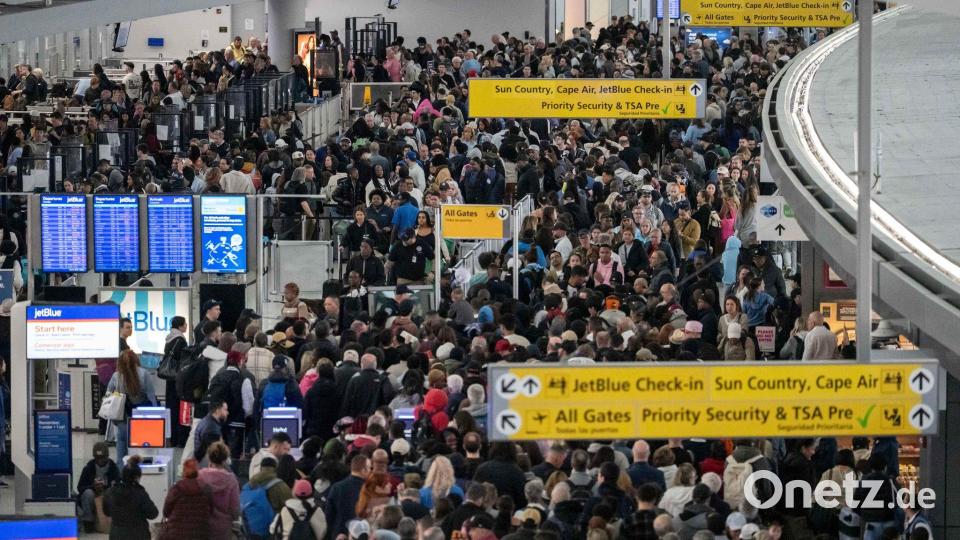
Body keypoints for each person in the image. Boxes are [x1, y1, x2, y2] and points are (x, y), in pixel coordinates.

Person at [106, 350, 156, 461]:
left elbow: (108, 395)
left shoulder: (116, 376)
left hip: (123, 417)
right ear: (136, 360)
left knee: (121, 449)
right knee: (143, 451)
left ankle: (121, 470)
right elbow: (151, 397)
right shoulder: (144, 374)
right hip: (142, 418)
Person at [103, 455, 159, 540]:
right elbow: (153, 514)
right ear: (136, 478)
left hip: (116, 535)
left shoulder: (110, 492)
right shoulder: (140, 493)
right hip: (138, 535)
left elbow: (106, 512)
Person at [197, 441, 240, 540]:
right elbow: (235, 511)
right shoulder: (231, 480)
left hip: (201, 527)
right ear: (225, 459)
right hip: (222, 530)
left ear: (209, 457)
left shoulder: (199, 476)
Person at [160, 458, 211, 540]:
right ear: (197, 472)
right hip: (200, 533)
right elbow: (211, 510)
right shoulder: (206, 489)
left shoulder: (177, 488)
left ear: (184, 471)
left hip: (176, 534)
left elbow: (166, 512)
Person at [77, 441, 120, 533]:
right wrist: (93, 487)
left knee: (111, 493)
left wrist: (107, 486)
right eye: (97, 458)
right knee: (87, 493)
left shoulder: (113, 468)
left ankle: (111, 521)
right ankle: (88, 522)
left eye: (102, 458)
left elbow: (119, 486)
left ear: (107, 456)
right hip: (92, 496)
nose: (100, 461)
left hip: (106, 497)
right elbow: (80, 487)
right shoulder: (88, 468)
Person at [325, 454, 371, 539]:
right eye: (369, 468)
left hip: (339, 534)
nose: (371, 471)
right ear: (363, 470)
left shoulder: (336, 487)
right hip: (361, 535)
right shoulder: (369, 490)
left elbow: (329, 514)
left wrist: (335, 532)